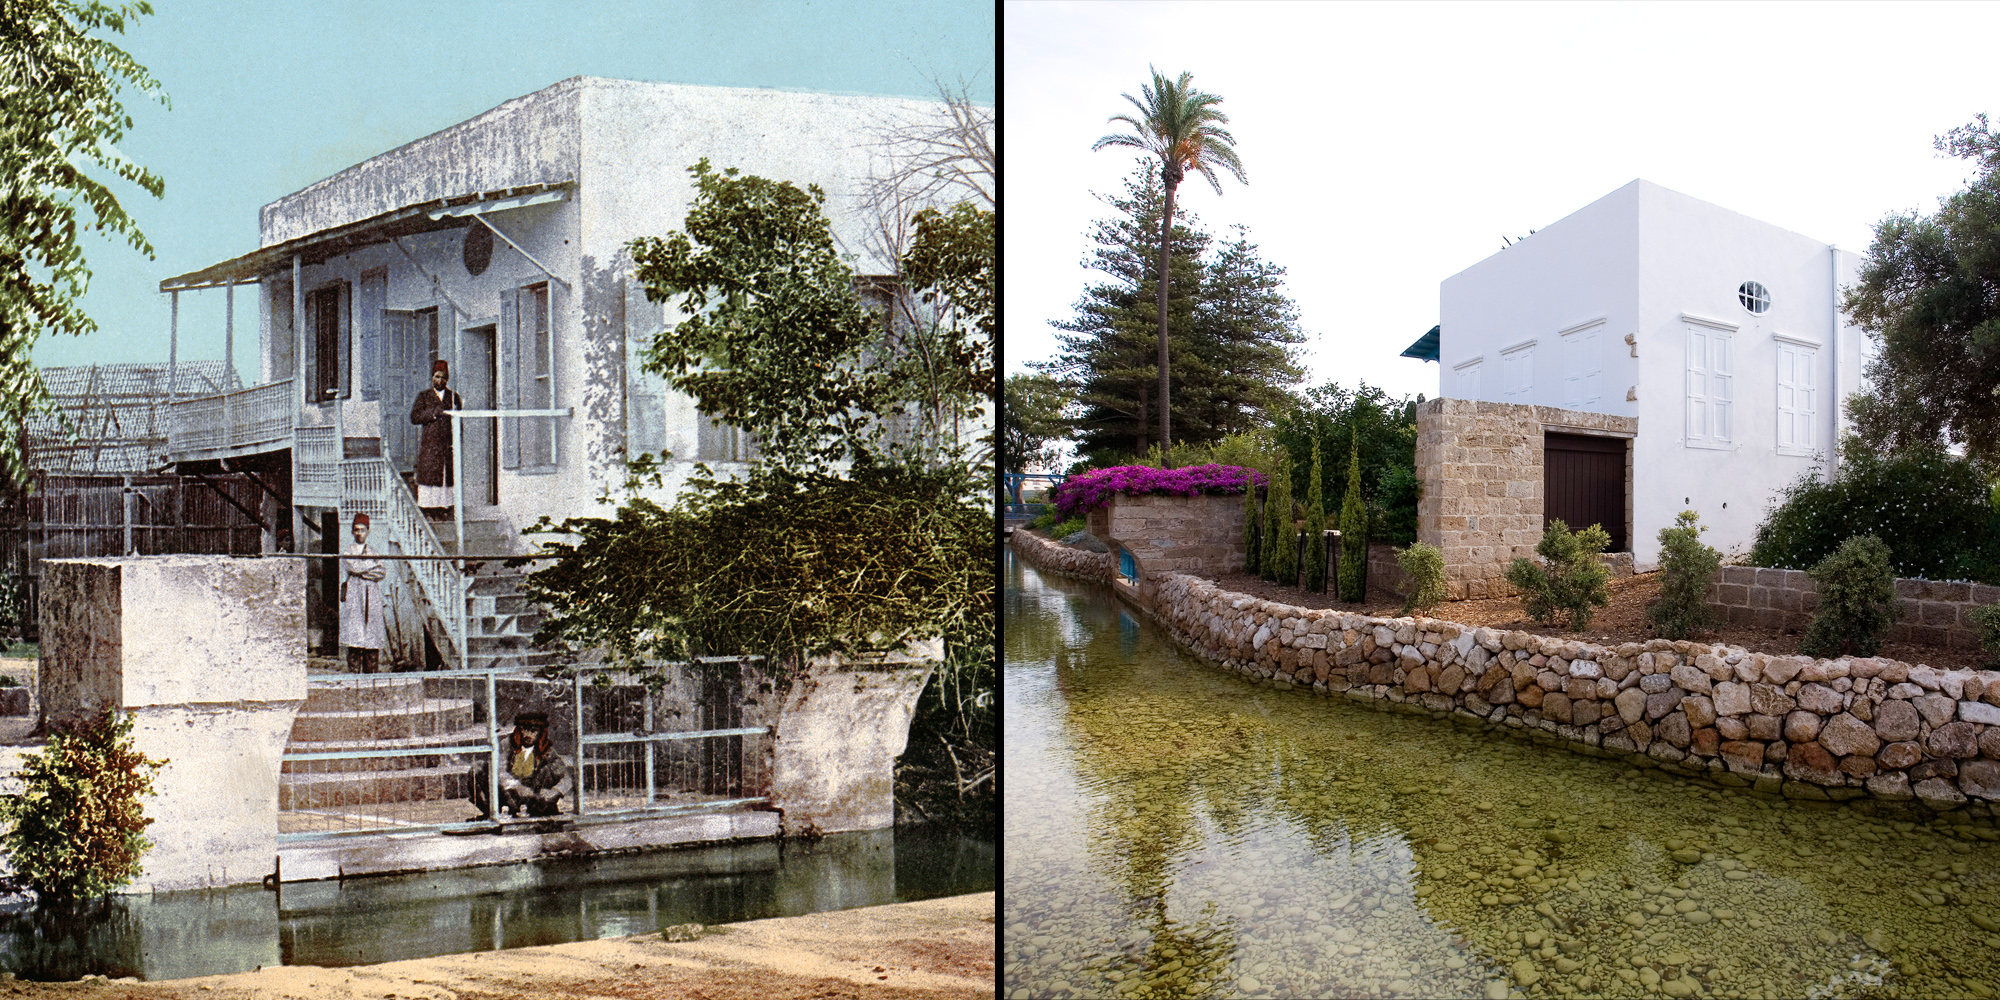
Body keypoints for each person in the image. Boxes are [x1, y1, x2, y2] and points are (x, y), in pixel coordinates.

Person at [470, 709, 574, 819]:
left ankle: (538, 811)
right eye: (525, 730)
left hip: (532, 796)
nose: (529, 735)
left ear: (540, 733)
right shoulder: (507, 744)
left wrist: (555, 791)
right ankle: (492, 813)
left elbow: (566, 778)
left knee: (548, 769)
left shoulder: (546, 750)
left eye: (533, 731)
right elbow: (499, 771)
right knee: (478, 768)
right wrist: (517, 786)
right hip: (509, 795)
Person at [410, 359, 464, 520]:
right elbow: (415, 417)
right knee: (429, 476)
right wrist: (433, 413)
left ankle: (443, 507)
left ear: (447, 379)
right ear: (432, 377)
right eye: (437, 377)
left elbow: (458, 420)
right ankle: (428, 508)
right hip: (430, 444)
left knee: (445, 476)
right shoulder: (424, 396)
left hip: (446, 444)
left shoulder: (453, 397)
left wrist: (456, 438)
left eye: (443, 378)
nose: (440, 381)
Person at [340, 513, 388, 673]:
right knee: (355, 634)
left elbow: (381, 572)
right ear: (352, 532)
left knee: (372, 636)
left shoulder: (373, 551)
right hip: (355, 593)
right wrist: (369, 568)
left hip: (371, 594)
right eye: (356, 530)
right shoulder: (348, 551)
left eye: (363, 530)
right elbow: (354, 567)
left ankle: (371, 676)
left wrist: (363, 570)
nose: (359, 533)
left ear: (368, 531)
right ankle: (354, 676)